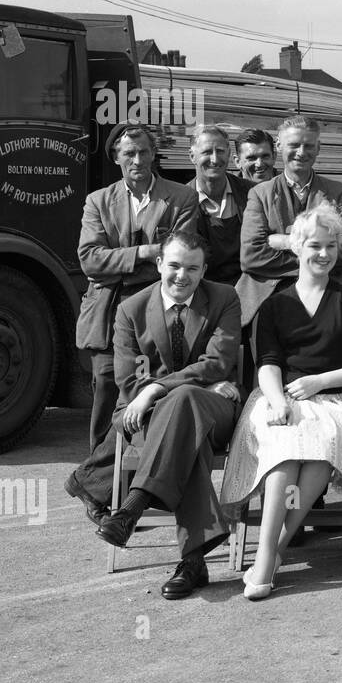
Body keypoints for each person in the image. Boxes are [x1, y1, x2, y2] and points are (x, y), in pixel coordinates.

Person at [219, 204, 342, 600]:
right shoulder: (276, 305)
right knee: (283, 451)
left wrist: (320, 382)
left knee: (322, 448)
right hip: (281, 396)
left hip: (336, 399)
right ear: (297, 247)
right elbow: (268, 364)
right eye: (315, 245)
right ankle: (267, 554)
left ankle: (273, 550)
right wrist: (277, 401)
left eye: (331, 246)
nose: (324, 254)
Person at [81, 231, 242, 598]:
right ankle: (193, 562)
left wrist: (157, 387)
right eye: (173, 265)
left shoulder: (224, 298)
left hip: (214, 412)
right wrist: (170, 388)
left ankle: (131, 508)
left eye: (192, 268)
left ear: (204, 271)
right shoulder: (130, 309)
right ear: (158, 265)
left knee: (186, 403)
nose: (181, 275)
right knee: (188, 430)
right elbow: (127, 381)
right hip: (141, 414)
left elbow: (218, 362)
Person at [74, 124, 202, 451]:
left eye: (143, 151)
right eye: (129, 153)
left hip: (157, 310)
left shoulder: (181, 197)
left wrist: (115, 264)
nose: (137, 159)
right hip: (108, 311)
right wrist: (144, 253)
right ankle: (97, 482)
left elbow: (179, 258)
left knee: (154, 388)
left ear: (153, 154)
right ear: (117, 157)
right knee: (105, 385)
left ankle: (145, 476)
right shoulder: (98, 202)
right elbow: (89, 259)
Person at [236, 114, 342, 327]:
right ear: (279, 146)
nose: (301, 153)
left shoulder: (339, 193)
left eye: (308, 145)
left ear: (318, 148)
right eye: (294, 145)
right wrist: (319, 253)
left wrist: (285, 241)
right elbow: (250, 256)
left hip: (325, 288)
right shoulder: (260, 193)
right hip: (269, 292)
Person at [187, 125, 253, 285]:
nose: (215, 159)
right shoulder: (181, 201)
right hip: (203, 290)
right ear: (192, 156)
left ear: (230, 154)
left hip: (251, 285)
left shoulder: (252, 193)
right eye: (207, 152)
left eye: (221, 151)